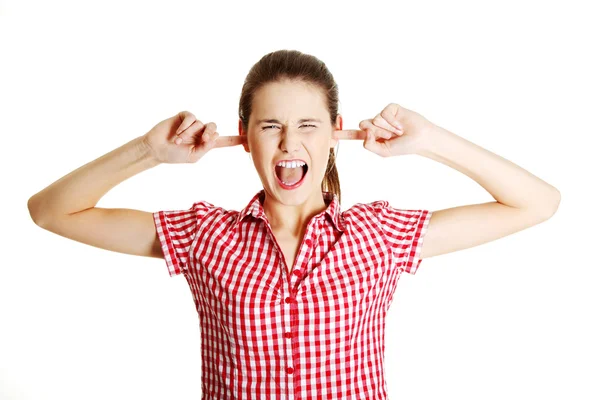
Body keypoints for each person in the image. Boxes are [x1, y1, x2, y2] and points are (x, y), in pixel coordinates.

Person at [27, 49, 561, 399]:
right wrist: (148, 151)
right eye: (270, 126)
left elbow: (537, 203)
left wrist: (429, 141)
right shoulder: (204, 238)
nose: (289, 143)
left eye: (308, 124)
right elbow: (50, 211)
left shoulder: (380, 236)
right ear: (244, 136)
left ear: (335, 133)